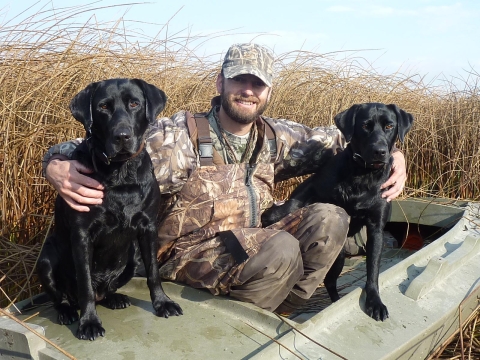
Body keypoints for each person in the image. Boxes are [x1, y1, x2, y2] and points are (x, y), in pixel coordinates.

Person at [42, 43, 407, 315]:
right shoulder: (178, 136)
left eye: (257, 84)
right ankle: (241, 319)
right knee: (282, 250)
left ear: (267, 93)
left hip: (256, 247)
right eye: (238, 79)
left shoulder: (279, 137)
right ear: (220, 82)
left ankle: (285, 305)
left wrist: (395, 156)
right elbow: (100, 140)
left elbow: (350, 137)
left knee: (331, 218)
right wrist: (55, 164)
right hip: (191, 257)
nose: (247, 90)